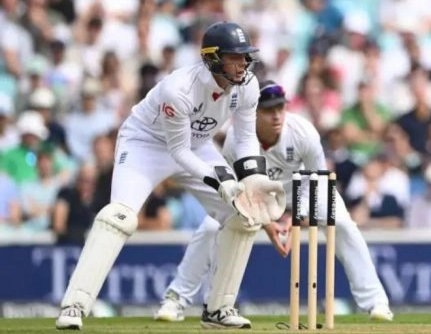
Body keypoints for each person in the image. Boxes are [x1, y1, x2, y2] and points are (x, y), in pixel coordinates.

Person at [55, 21, 285, 330]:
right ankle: (75, 305)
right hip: (145, 144)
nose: (243, 64)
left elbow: (244, 138)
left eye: (245, 56)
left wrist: (253, 177)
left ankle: (218, 309)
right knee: (119, 217)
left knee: (243, 216)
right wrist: (221, 181)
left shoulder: (248, 85)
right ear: (213, 58)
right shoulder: (179, 90)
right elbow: (179, 152)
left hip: (198, 145)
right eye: (234, 57)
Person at [154, 81, 394, 322]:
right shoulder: (237, 138)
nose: (277, 116)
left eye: (280, 108)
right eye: (269, 110)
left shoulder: (303, 132)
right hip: (255, 199)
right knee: (210, 227)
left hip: (304, 192)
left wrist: (295, 218)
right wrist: (268, 224)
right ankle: (175, 299)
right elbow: (238, 190)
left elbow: (319, 180)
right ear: (254, 112)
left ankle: (377, 302)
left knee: (342, 224)